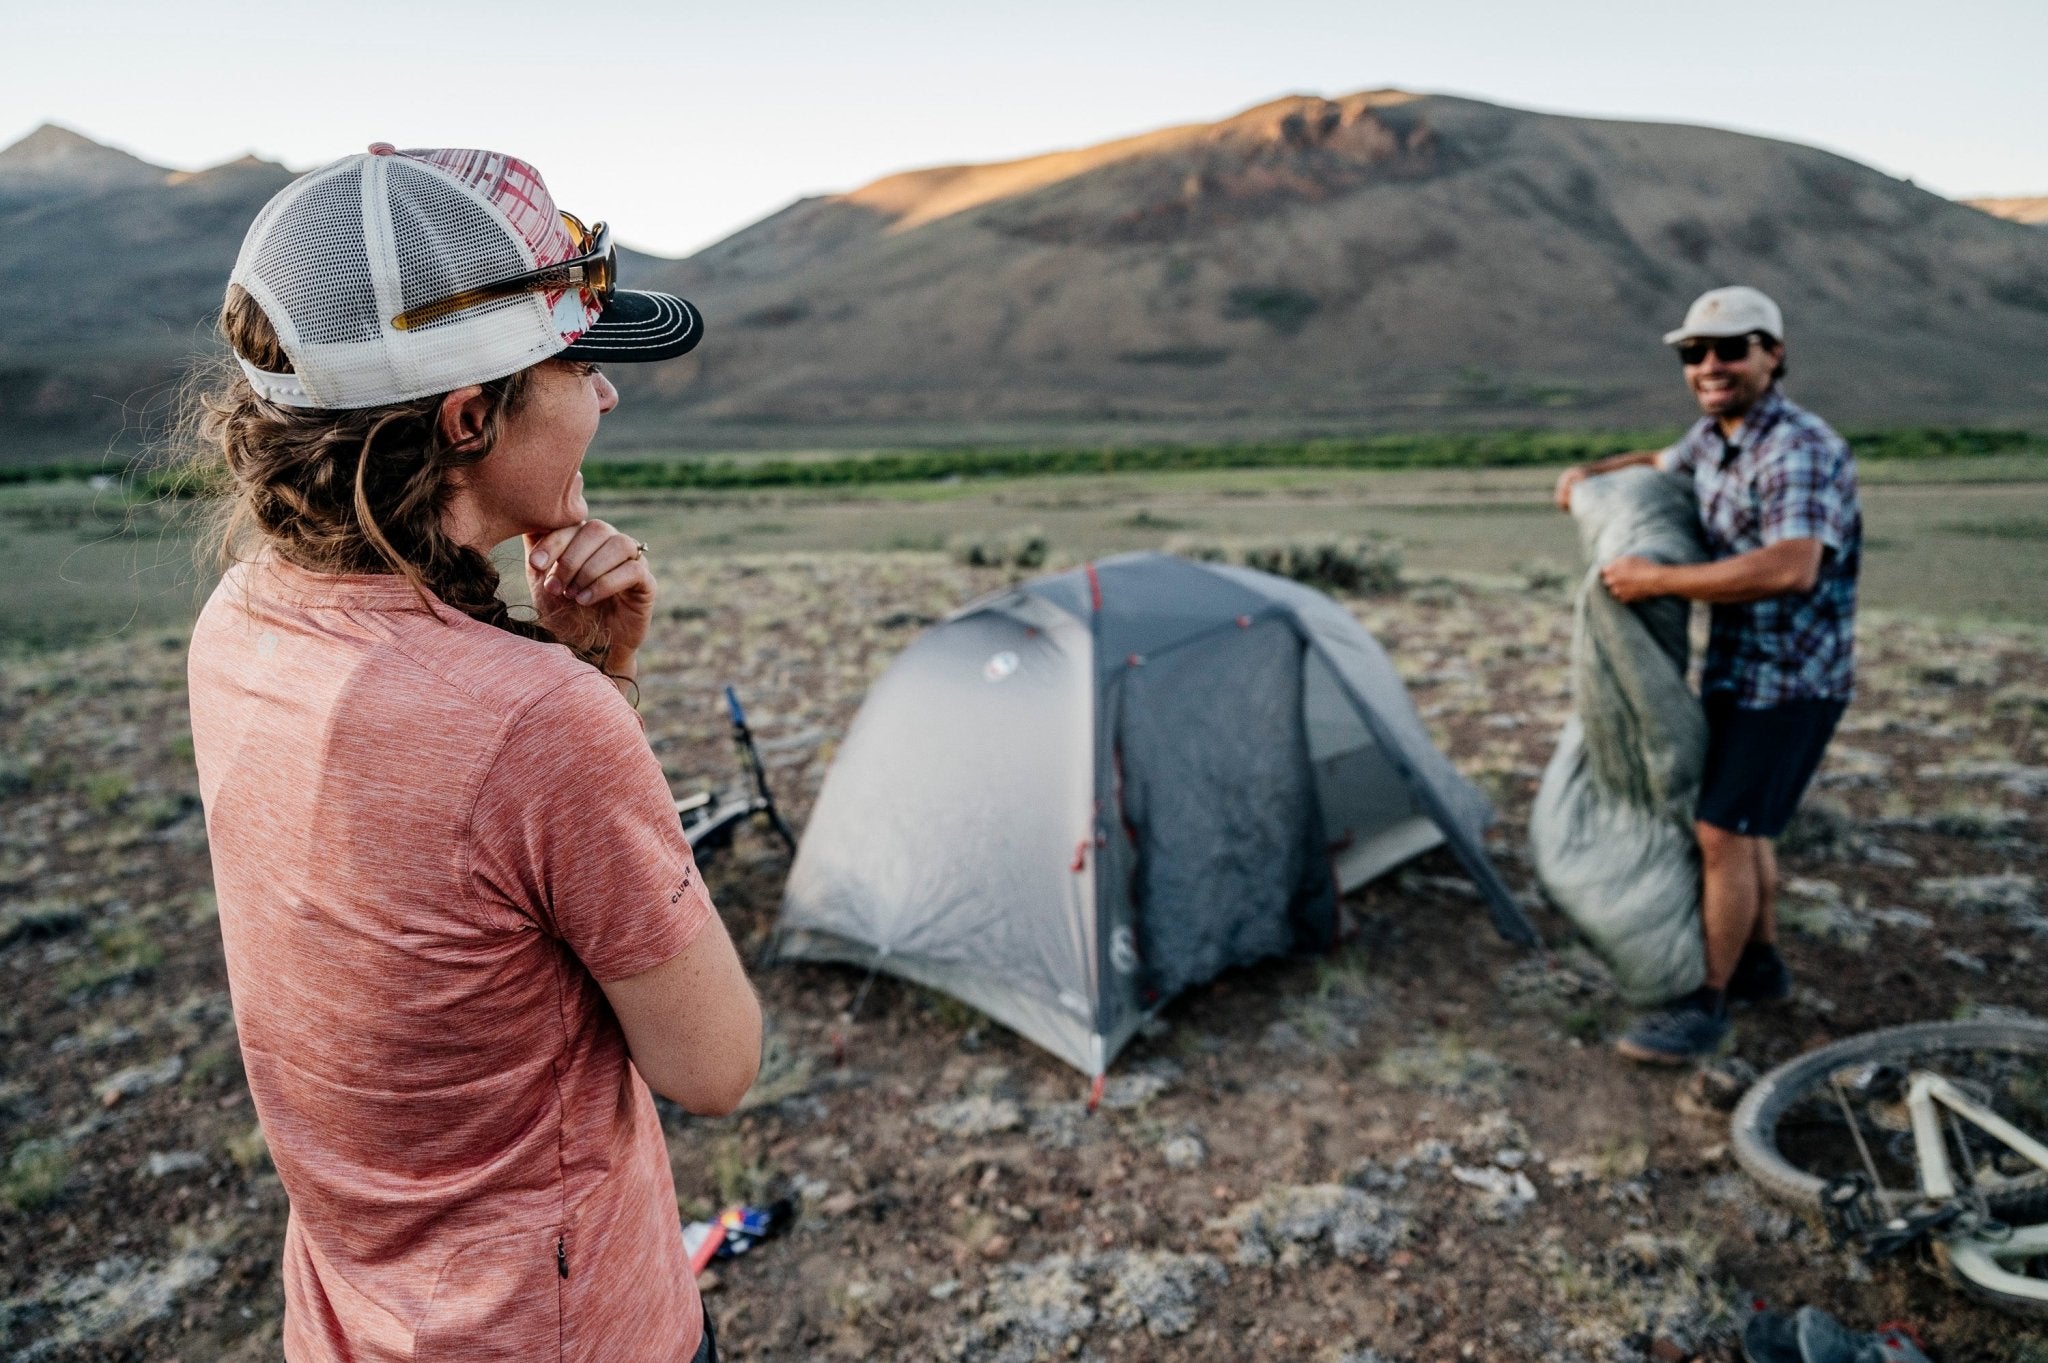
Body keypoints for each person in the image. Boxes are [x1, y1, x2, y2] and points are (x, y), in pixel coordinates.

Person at [183, 144, 759, 1362]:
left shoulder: (237, 619)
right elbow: (713, 1064)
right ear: (466, 416)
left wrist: (566, 679)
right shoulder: (537, 717)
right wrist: (594, 683)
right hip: (556, 1332)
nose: (607, 397)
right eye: (577, 367)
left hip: (346, 1318)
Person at [1553, 286, 1861, 1064]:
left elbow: (1793, 566)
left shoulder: (1797, 447)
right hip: (1737, 669)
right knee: (1747, 826)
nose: (1711, 364)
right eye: (1695, 352)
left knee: (1720, 831)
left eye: (1731, 347)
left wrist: (1657, 584)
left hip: (1792, 682)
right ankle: (1761, 964)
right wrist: (1590, 473)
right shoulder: (1715, 439)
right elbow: (1658, 463)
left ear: (1773, 354)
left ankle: (1706, 1001)